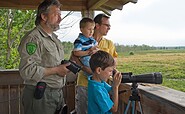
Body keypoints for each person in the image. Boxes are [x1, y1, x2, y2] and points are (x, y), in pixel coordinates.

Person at [18, 0, 70, 114]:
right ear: (44, 16)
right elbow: (27, 70)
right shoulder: (33, 38)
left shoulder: (54, 39)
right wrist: (57, 70)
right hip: (40, 95)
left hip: (56, 93)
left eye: (60, 15)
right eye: (56, 14)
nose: (60, 19)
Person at [75, 13, 118, 114]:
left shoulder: (109, 43)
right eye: (107, 25)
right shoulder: (83, 40)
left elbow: (114, 62)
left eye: (110, 26)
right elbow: (74, 57)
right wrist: (85, 68)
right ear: (97, 26)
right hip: (84, 84)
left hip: (101, 84)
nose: (109, 28)